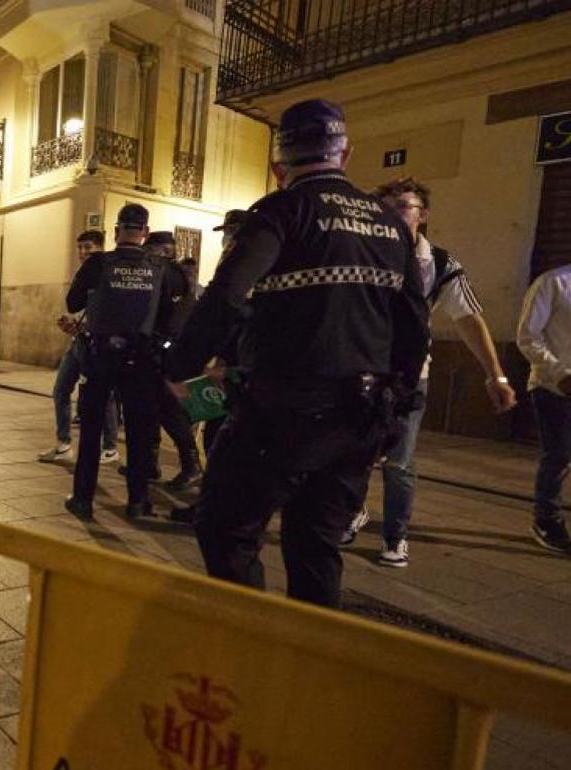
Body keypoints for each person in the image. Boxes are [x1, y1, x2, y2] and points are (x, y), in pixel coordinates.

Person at [166, 99, 429, 608]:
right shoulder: (390, 223)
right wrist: (396, 404)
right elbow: (415, 325)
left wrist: (177, 368)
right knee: (316, 544)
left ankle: (257, 639)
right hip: (359, 416)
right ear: (345, 154)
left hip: (282, 413)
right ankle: (309, 660)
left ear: (277, 165)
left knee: (226, 528)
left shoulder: (281, 212)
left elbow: (226, 294)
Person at [340, 177, 516, 566]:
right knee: (354, 453)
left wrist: (496, 375)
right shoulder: (359, 254)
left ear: (423, 215)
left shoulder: (438, 263)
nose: (393, 213)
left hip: (408, 374)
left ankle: (395, 535)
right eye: (385, 206)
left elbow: (469, 319)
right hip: (360, 371)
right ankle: (353, 512)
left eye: (403, 206)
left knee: (400, 461)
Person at [64, 204, 176, 521]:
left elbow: (73, 302)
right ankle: (138, 502)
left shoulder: (99, 263)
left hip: (100, 357)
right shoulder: (160, 266)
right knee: (140, 432)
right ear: (145, 233)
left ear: (116, 232)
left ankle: (83, 500)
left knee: (91, 430)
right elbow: (169, 315)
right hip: (141, 358)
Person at [169, 210, 249, 525]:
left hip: (234, 366)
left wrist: (221, 359)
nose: (225, 239)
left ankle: (215, 507)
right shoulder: (236, 262)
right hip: (225, 363)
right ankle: (214, 502)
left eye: (230, 232)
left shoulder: (247, 265)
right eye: (225, 233)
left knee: (221, 436)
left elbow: (232, 313)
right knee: (215, 432)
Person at [41, 230, 120, 465]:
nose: (83, 252)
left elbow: (108, 315)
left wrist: (84, 327)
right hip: (79, 342)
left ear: (100, 248)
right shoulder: (83, 273)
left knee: (104, 397)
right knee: (60, 390)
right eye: (81, 247)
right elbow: (81, 308)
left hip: (97, 345)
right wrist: (73, 325)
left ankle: (110, 447)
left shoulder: (106, 272)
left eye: (89, 247)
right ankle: (63, 444)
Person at [517, 261, 571, 554]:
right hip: (553, 387)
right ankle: (546, 519)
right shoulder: (553, 282)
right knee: (559, 454)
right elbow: (527, 335)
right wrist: (560, 373)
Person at [145, 230, 201, 491]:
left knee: (169, 410)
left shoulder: (164, 273)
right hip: (173, 350)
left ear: (158, 250)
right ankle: (149, 463)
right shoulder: (181, 274)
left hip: (163, 351)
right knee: (154, 408)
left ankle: (191, 467)